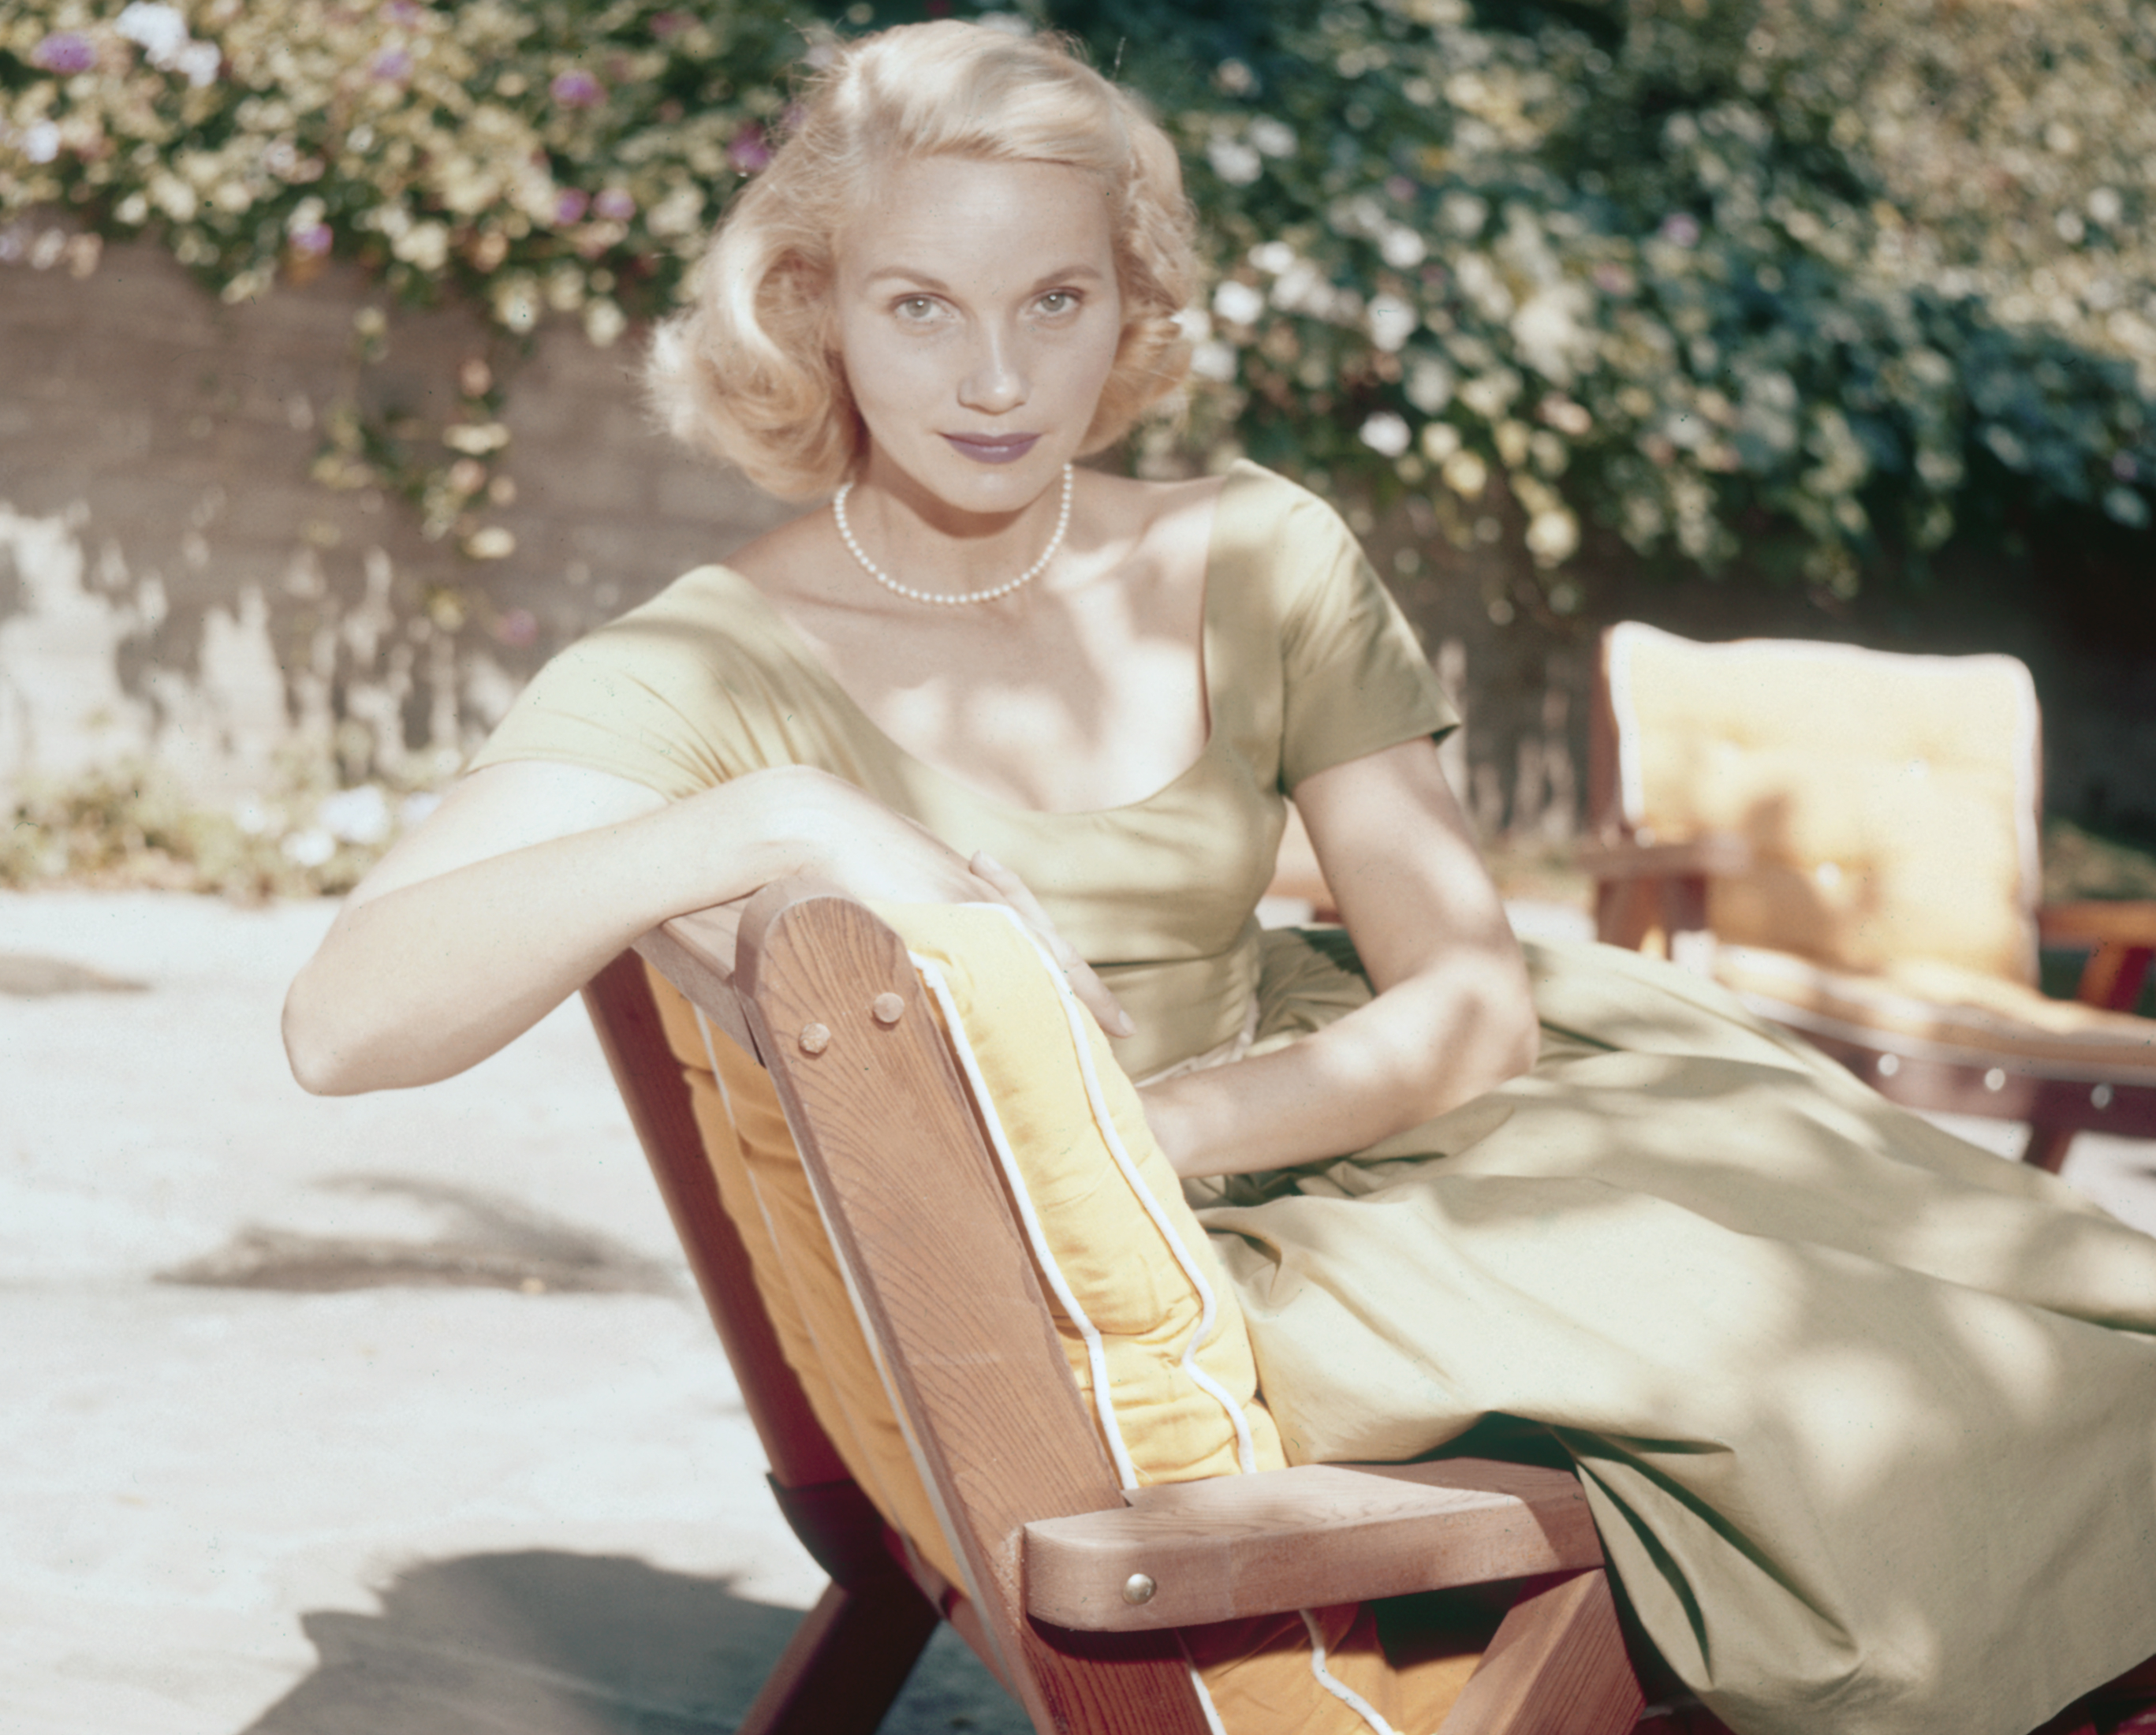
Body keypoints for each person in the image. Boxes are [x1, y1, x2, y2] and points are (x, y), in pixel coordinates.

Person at [285, 21, 2156, 1735]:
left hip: (1406, 1101)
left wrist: (1156, 1120)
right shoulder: (705, 660)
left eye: (1058, 300)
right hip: (1241, 1255)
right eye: (921, 304)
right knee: (1920, 1411)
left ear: (1133, 309)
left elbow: (1471, 996)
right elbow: (343, 1020)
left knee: (2062, 1301)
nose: (998, 377)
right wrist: (766, 820)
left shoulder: (1262, 552)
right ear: (814, 311)